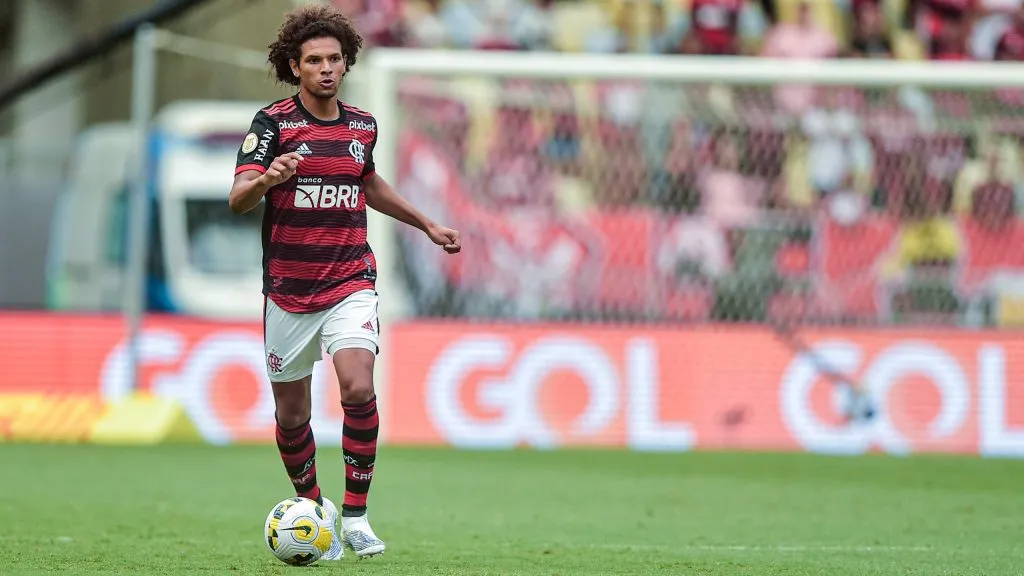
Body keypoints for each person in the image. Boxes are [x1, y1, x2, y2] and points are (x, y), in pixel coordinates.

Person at [228, 3, 462, 560]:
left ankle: (356, 516)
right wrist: (268, 179)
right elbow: (237, 199)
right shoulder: (272, 125)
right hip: (288, 291)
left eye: (334, 58)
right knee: (293, 417)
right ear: (295, 66)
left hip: (349, 280)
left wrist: (426, 223)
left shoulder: (362, 126)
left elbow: (369, 183)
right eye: (314, 60)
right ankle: (317, 513)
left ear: (347, 62)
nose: (326, 68)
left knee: (357, 385)